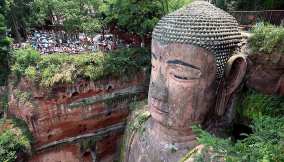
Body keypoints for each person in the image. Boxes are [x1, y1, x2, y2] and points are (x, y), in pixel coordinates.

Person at [125, 1, 247, 162]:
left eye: (179, 75)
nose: (156, 91)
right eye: (154, 66)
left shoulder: (215, 158)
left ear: (231, 77)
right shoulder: (137, 122)